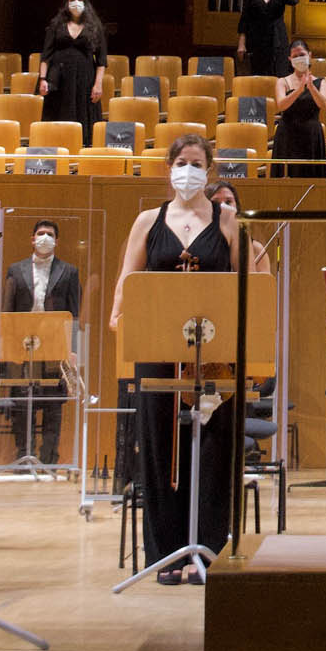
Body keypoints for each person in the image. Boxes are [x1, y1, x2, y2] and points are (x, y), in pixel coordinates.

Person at [110, 134, 240, 582]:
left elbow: (244, 289)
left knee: (212, 452)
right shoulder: (148, 220)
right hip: (158, 351)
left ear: (210, 169)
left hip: (214, 357)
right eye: (181, 161)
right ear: (170, 167)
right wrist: (118, 321)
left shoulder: (228, 221)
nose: (188, 169)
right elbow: (127, 284)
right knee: (160, 450)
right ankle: (166, 555)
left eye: (197, 162)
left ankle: (208, 551)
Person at [3, 219, 81, 466]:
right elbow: (7, 312)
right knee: (21, 402)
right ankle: (23, 457)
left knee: (53, 404)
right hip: (22, 346)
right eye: (40, 233)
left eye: (49, 234)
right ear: (32, 238)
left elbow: (75, 316)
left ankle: (49, 459)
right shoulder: (16, 270)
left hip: (55, 345)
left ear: (57, 241)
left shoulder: (69, 271)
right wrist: (8, 347)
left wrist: (72, 350)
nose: (44, 237)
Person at [38, 0, 107, 143]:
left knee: (84, 118)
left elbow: (101, 60)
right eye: (72, 0)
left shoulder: (95, 27)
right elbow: (46, 55)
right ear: (66, 4)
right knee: (58, 115)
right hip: (59, 79)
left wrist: (98, 84)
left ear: (85, 3)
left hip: (85, 80)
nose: (76, 2)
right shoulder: (56, 25)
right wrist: (43, 79)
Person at [271, 39, 326, 178]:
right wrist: (299, 90)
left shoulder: (321, 82)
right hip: (287, 135)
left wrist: (311, 87)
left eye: (302, 54)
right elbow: (281, 105)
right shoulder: (282, 81)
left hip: (312, 136)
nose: (299, 58)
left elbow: (325, 105)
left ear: (309, 55)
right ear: (290, 59)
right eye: (295, 56)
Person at [236, 0, 296, 77]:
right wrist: (241, 43)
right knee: (258, 77)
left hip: (278, 40)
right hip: (257, 40)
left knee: (278, 76)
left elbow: (294, 0)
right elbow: (245, 17)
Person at [207, 179, 271, 272]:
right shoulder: (201, 247)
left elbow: (262, 285)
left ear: (237, 206)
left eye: (228, 202)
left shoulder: (256, 249)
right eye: (216, 202)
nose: (223, 207)